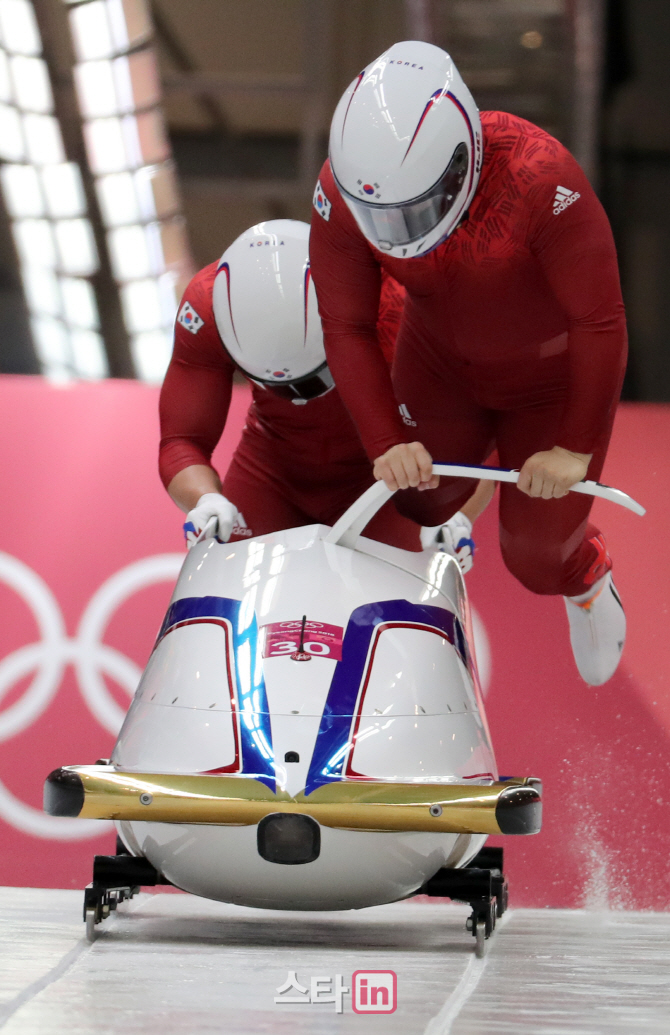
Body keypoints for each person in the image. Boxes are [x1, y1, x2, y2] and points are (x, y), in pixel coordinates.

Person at [309, 41, 627, 685]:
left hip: (550, 386)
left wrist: (574, 447)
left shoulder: (543, 177)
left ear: (466, 160)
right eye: (379, 216)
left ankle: (585, 576)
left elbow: (600, 320)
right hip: (440, 366)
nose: (398, 231)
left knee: (536, 557)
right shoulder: (338, 194)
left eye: (415, 209)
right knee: (418, 506)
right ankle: (461, 503)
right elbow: (344, 324)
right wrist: (384, 439)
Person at [159, 219, 492, 565]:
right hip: (271, 474)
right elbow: (182, 441)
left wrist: (456, 513)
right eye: (278, 385)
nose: (299, 397)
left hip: (384, 484)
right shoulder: (204, 307)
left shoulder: (401, 302)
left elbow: (487, 420)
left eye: (312, 379)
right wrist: (205, 500)